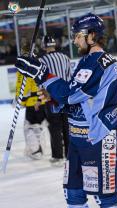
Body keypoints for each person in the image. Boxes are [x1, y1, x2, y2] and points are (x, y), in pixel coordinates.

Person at [15, 13, 117, 208]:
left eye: (78, 35)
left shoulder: (100, 62)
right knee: (74, 195)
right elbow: (74, 101)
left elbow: (69, 94)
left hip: (98, 139)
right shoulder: (86, 61)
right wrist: (52, 98)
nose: (74, 40)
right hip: (78, 140)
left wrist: (40, 72)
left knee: (106, 198)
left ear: (92, 35)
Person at [39, 35, 71, 163]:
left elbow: (40, 81)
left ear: (43, 45)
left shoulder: (42, 60)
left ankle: (57, 156)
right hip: (66, 96)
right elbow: (70, 77)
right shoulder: (65, 57)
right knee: (67, 126)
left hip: (51, 97)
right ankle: (70, 154)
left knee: (55, 126)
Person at [15, 44, 48, 160]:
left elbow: (23, 87)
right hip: (41, 101)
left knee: (29, 127)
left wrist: (20, 101)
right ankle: (40, 148)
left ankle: (36, 150)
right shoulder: (40, 64)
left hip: (32, 103)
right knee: (38, 126)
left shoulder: (24, 66)